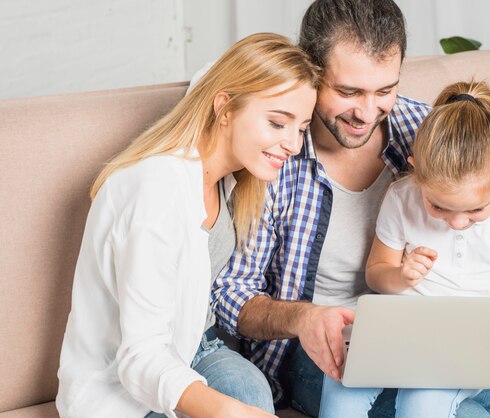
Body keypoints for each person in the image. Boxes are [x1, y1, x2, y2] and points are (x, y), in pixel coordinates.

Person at [212, 1, 490, 417]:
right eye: (348, 92)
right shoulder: (273, 154)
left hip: (452, 334)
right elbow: (230, 294)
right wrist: (304, 318)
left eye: (384, 90)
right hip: (327, 344)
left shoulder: (431, 131)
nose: (366, 113)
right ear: (311, 74)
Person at [55, 33, 319, 418]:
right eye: (278, 123)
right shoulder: (154, 192)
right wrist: (229, 413)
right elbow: (141, 357)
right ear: (224, 108)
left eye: (301, 128)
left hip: (197, 345)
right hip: (125, 375)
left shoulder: (230, 175)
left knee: (251, 391)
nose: (293, 144)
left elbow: (213, 80)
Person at [318, 80, 490, 418]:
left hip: (469, 340)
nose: (457, 223)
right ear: (416, 167)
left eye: (476, 210)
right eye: (439, 207)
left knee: (423, 404)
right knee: (341, 389)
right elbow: (377, 275)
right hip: (402, 326)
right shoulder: (402, 197)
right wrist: (401, 276)